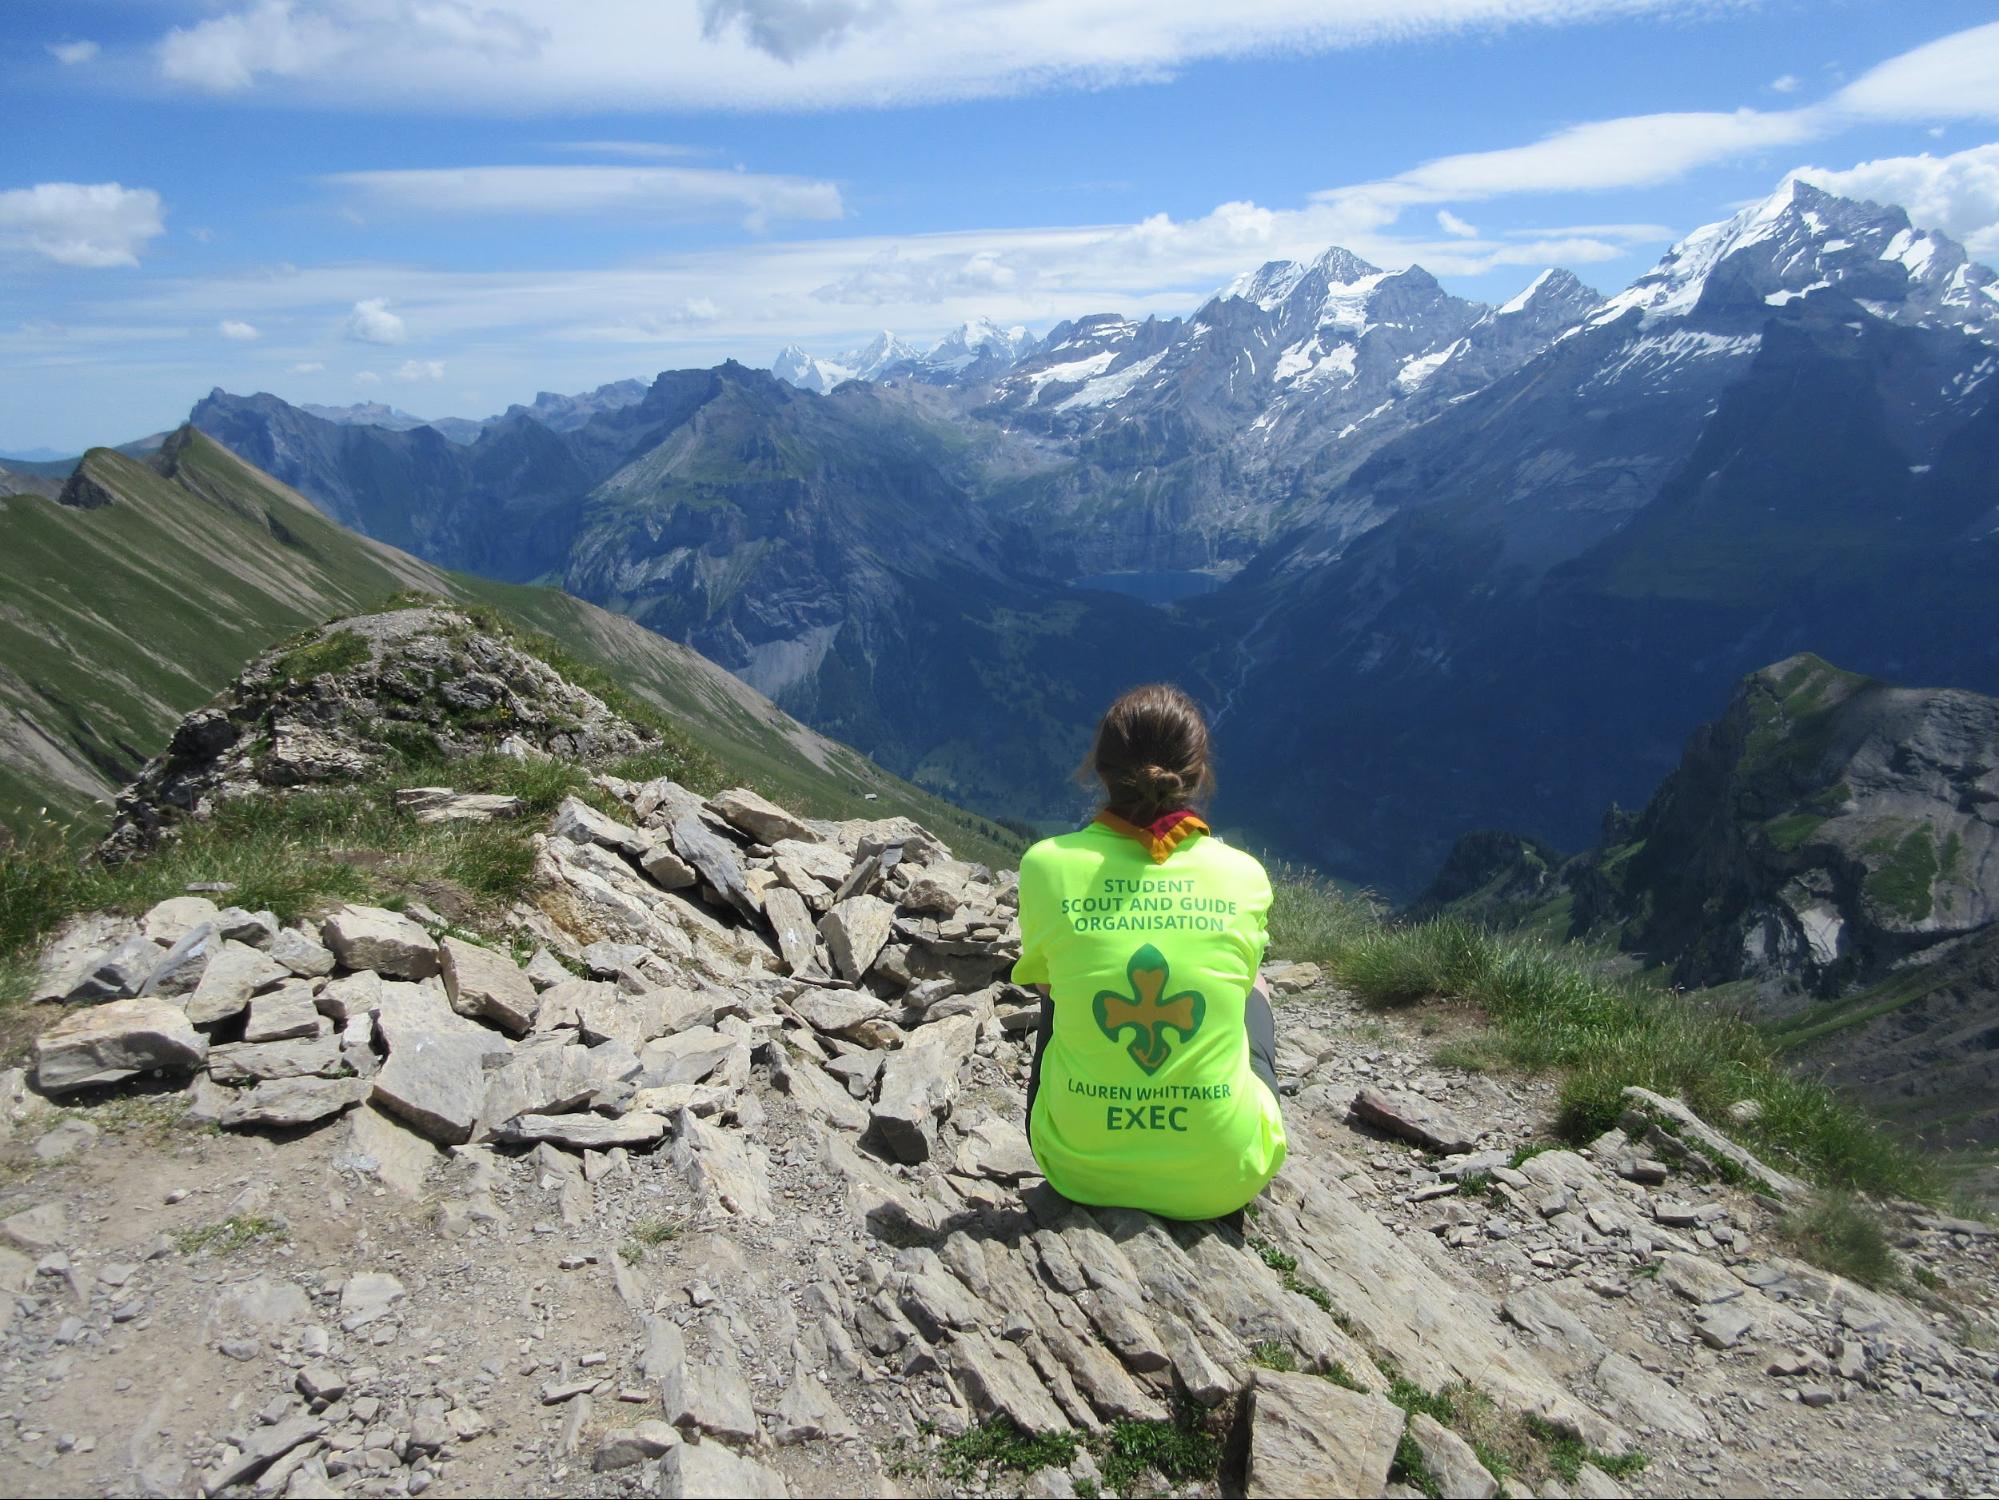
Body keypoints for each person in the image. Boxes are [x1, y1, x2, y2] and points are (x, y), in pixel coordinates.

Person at [1012, 683, 1285, 1221]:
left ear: (1099, 769)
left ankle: (1092, 1120)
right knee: (1251, 986)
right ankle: (1205, 1125)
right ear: (1199, 773)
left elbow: (1049, 985)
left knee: (1058, 986)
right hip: (1225, 1177)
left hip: (1078, 1170)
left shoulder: (1046, 865)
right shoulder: (1244, 875)